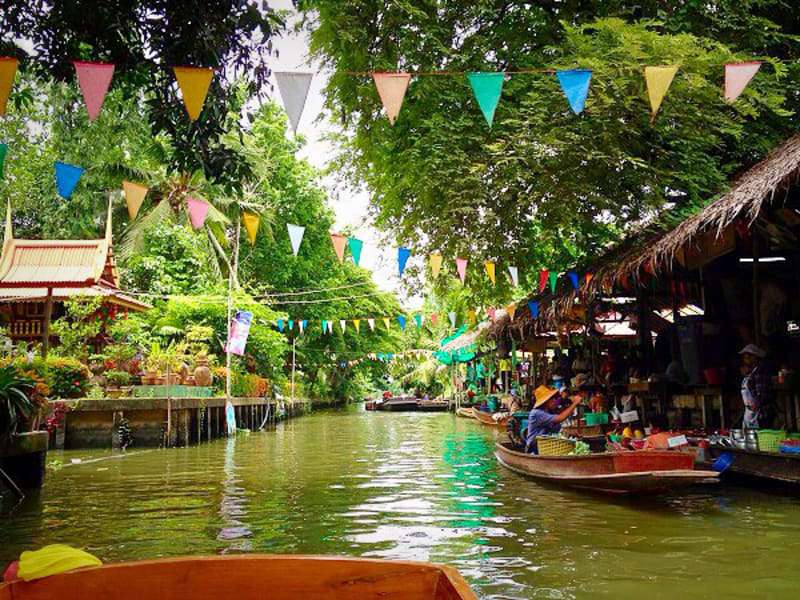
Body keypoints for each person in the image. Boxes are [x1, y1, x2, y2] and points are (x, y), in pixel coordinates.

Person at [526, 385, 582, 453]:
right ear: (546, 401)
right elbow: (559, 418)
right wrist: (575, 403)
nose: (554, 401)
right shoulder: (537, 413)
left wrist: (571, 433)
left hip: (545, 445)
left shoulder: (548, 412)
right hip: (534, 447)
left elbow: (558, 430)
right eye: (552, 399)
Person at [739, 344, 772, 429]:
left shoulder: (759, 372)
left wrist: (756, 405)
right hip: (749, 413)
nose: (745, 360)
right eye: (745, 358)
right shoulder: (752, 373)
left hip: (759, 414)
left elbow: (762, 393)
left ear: (754, 357)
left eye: (747, 357)